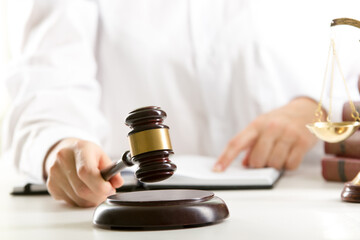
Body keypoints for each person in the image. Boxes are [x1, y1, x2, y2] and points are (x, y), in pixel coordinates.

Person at [2, 0, 360, 207]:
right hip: (140, 210)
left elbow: (349, 57)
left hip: (306, 205)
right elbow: (46, 85)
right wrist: (60, 144)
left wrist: (318, 106)